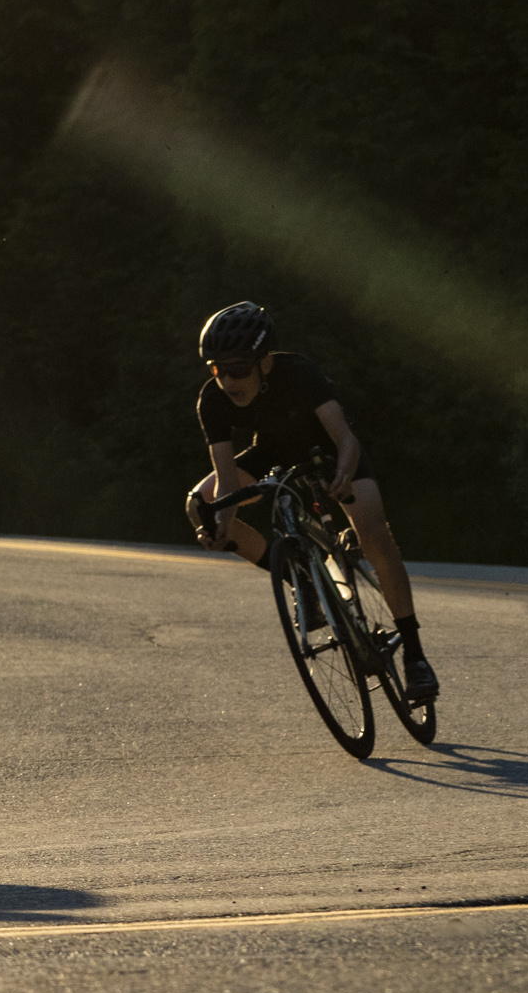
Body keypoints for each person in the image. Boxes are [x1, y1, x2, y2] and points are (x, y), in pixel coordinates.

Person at [183, 300, 439, 701]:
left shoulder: (298, 373)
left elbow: (346, 438)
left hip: (329, 450)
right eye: (218, 370)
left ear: (265, 364)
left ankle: (416, 656)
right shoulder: (212, 400)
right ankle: (299, 578)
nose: (228, 380)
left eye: (238, 369)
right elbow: (227, 477)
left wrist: (342, 473)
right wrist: (219, 524)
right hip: (272, 451)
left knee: (372, 532)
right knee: (201, 504)